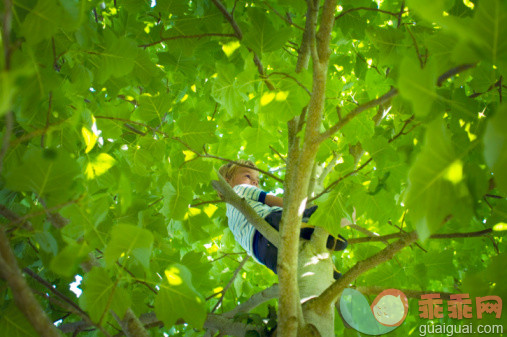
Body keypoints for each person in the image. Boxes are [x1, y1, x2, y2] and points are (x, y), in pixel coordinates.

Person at [218, 160, 347, 279]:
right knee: (308, 213)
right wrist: (300, 207)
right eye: (247, 176)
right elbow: (275, 202)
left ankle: (324, 267)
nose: (254, 182)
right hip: (271, 222)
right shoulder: (239, 189)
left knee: (298, 263)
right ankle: (309, 226)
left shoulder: (231, 218)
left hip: (264, 254)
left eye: (257, 179)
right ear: (227, 181)